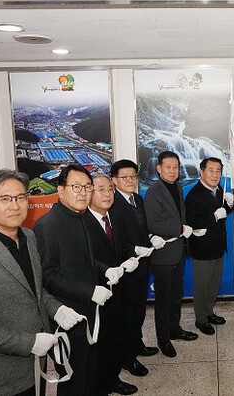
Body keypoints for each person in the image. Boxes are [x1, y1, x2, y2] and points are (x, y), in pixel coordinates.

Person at [0, 169, 82, 396]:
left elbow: (34, 290)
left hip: (36, 368)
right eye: (5, 199)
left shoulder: (29, 237)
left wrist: (57, 309)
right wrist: (29, 343)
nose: (15, 205)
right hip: (1, 377)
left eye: (21, 197)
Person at [35, 164, 118, 396]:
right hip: (68, 318)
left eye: (87, 187)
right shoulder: (47, 225)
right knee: (74, 383)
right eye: (76, 187)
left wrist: (105, 271)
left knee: (89, 377)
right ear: (60, 190)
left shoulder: (79, 217)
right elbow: (47, 276)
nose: (83, 192)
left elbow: (86, 258)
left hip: (89, 315)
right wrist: (90, 291)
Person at [83, 173, 139, 395]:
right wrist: (105, 270)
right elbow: (85, 259)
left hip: (119, 291)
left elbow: (123, 245)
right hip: (95, 296)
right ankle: (99, 387)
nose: (107, 194)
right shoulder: (82, 222)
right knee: (99, 346)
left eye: (110, 189)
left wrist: (132, 254)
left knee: (117, 340)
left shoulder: (115, 216)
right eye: (101, 190)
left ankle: (113, 380)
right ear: (89, 192)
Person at [144, 151, 198, 358]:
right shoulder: (154, 191)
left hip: (178, 250)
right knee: (163, 300)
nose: (173, 171)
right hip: (163, 255)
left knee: (176, 296)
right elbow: (152, 224)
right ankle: (163, 339)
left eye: (176, 167)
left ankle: (175, 329)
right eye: (168, 167)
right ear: (159, 168)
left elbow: (179, 215)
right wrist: (180, 228)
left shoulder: (177, 187)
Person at [110, 159, 159, 377]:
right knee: (127, 316)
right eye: (125, 177)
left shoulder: (137, 199)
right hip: (126, 268)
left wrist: (151, 237)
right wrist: (134, 250)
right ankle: (127, 358)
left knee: (139, 310)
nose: (130, 180)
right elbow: (114, 240)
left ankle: (137, 344)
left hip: (142, 265)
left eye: (133, 176)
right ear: (114, 180)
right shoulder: (112, 204)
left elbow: (142, 228)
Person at [185, 157, 233, 335]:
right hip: (202, 248)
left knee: (213, 284)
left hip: (218, 244)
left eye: (218, 171)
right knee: (202, 286)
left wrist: (230, 204)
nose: (215, 174)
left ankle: (209, 312)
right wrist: (214, 216)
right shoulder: (194, 195)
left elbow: (223, 211)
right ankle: (201, 319)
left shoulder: (218, 189)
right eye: (211, 170)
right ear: (202, 172)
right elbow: (193, 222)